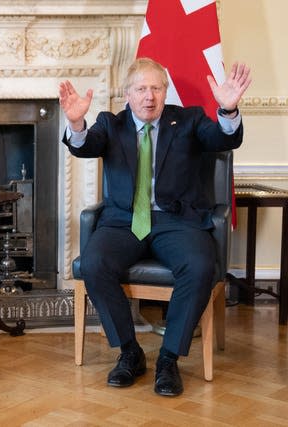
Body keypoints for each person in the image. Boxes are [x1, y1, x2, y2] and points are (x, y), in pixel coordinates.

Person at [58, 57, 251, 396]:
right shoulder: (110, 124)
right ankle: (130, 353)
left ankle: (168, 359)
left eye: (156, 88)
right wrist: (76, 124)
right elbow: (86, 146)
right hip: (123, 223)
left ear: (165, 91)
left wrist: (229, 112)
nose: (150, 96)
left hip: (176, 222)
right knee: (93, 263)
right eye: (142, 89)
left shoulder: (188, 120)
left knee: (200, 264)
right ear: (127, 94)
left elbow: (223, 140)